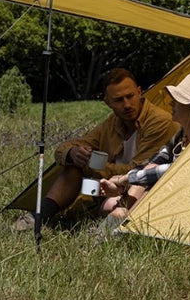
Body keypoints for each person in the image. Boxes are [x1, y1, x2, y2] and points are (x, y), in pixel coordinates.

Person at [13, 67, 179, 230]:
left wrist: (92, 164)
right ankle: (41, 215)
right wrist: (73, 153)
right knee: (74, 164)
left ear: (139, 92)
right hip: (108, 188)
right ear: (107, 102)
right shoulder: (113, 122)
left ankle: (99, 227)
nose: (127, 105)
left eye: (130, 96)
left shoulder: (158, 122)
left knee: (107, 204)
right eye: (119, 100)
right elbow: (65, 148)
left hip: (141, 190)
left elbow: (139, 172)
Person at [97, 72, 190, 222]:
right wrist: (123, 182)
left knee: (148, 189)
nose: (171, 103)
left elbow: (172, 170)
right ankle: (121, 219)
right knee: (112, 204)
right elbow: (155, 162)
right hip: (168, 187)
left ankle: (123, 224)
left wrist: (123, 179)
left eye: (177, 100)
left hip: (187, 195)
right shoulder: (181, 134)